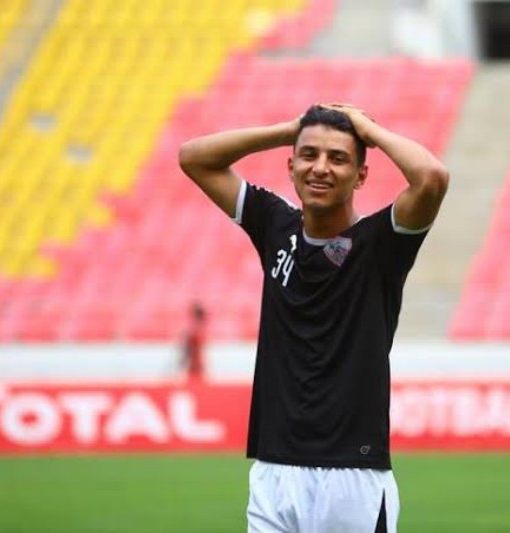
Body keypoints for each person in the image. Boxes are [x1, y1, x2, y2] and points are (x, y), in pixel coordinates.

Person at [179, 103, 449, 532]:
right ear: (290, 166)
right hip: (273, 470)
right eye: (308, 155)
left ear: (360, 175)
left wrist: (368, 131)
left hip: (351, 476)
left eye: (338, 158)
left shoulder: (381, 244)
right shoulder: (275, 225)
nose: (320, 167)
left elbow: (431, 177)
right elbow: (194, 157)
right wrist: (289, 129)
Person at [181, 301, 207, 382]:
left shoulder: (195, 330)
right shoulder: (200, 328)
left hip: (194, 365)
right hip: (196, 364)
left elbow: (189, 348)